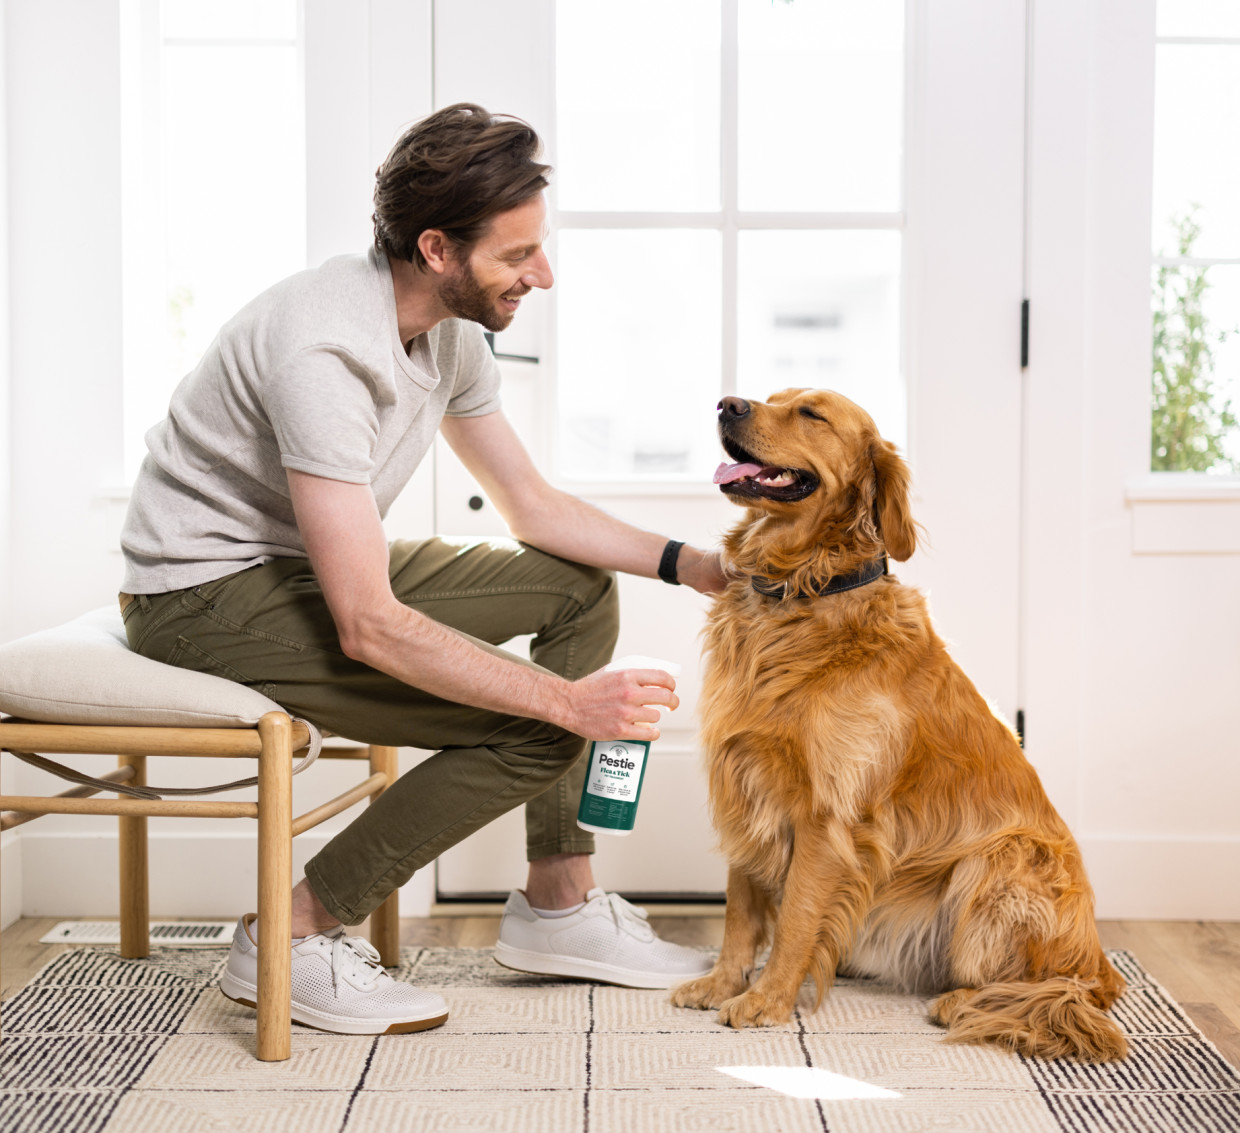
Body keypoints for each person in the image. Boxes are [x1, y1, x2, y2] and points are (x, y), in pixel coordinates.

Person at [118, 103, 724, 1036]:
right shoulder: (324, 351)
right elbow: (368, 623)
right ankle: (290, 932)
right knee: (543, 728)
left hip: (295, 569)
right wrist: (566, 704)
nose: (544, 274)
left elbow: (535, 509)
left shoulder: (447, 333)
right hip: (198, 595)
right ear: (437, 248)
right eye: (518, 254)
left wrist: (698, 566)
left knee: (575, 586)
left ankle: (559, 902)